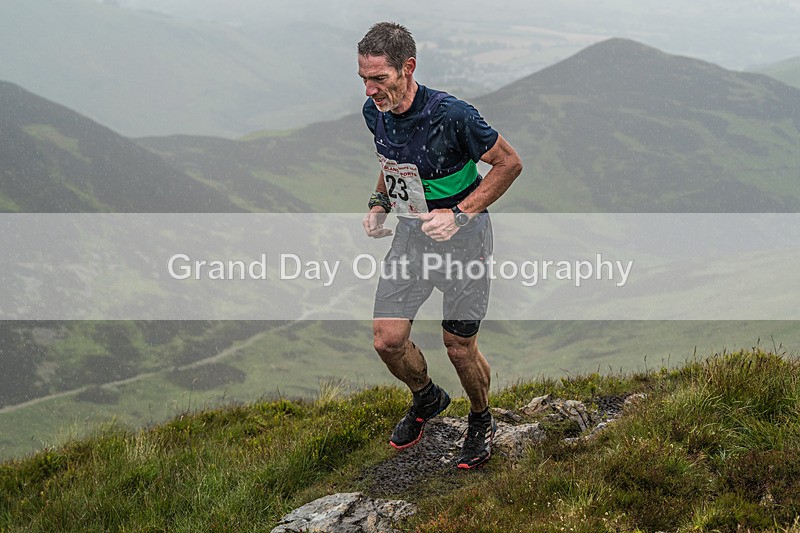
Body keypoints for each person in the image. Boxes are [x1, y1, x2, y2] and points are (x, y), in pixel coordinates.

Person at [357, 22, 522, 469]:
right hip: (412, 239)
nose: (371, 90)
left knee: (457, 345)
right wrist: (379, 202)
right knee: (387, 340)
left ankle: (481, 418)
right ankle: (427, 398)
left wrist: (460, 213)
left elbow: (510, 163)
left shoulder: (452, 115)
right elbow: (390, 161)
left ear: (407, 68)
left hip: (466, 242)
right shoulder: (377, 111)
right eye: (364, 79)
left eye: (380, 79)